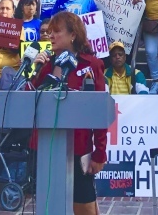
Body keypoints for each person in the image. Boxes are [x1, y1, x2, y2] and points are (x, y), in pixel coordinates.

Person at [30, 12, 107, 215]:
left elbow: (99, 112)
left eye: (56, 31)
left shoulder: (91, 65)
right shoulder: (46, 64)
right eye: (48, 32)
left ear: (73, 35)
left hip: (78, 147)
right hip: (45, 147)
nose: (50, 36)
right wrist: (36, 70)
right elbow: (29, 100)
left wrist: (99, 152)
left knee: (84, 207)